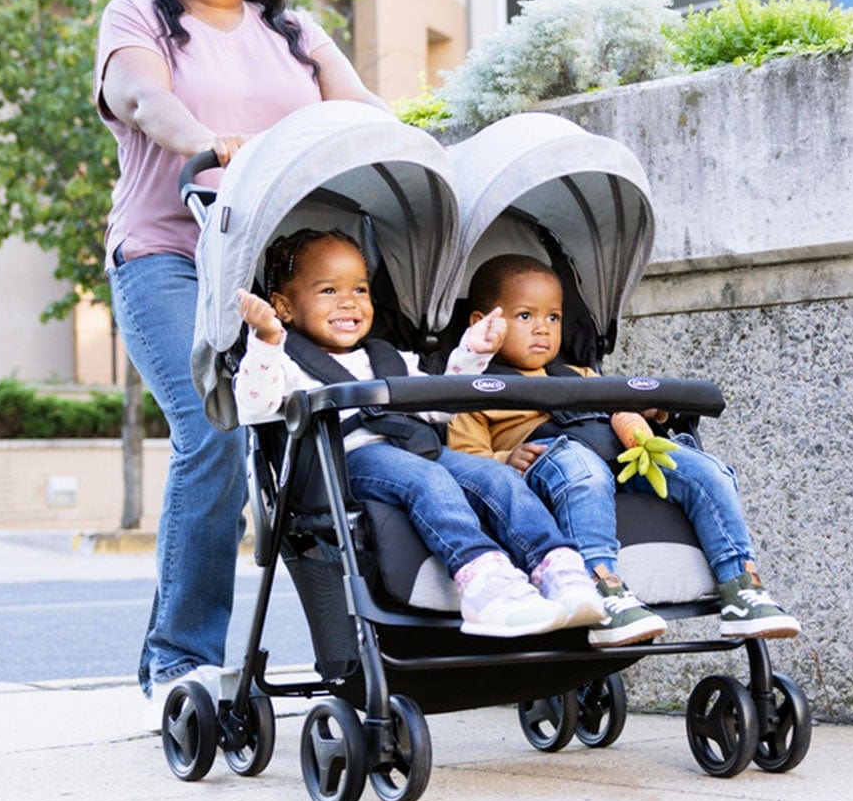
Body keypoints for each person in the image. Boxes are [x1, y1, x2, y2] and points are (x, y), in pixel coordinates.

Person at [98, 0, 387, 706]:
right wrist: (212, 144)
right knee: (215, 434)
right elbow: (143, 100)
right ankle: (179, 660)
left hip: (275, 276)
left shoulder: (293, 29)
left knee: (315, 444)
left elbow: (361, 108)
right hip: (171, 258)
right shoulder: (141, 17)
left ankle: (353, 650)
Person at [231, 228, 608, 637]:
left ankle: (560, 570)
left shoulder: (390, 358)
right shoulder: (286, 364)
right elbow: (255, 403)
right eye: (328, 290)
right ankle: (484, 582)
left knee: (495, 477)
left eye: (360, 289)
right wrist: (266, 340)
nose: (349, 301)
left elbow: (440, 403)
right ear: (284, 306)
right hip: (344, 462)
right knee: (425, 479)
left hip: (414, 451)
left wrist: (472, 353)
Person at [446, 253, 802, 646]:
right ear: (482, 323)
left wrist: (646, 411)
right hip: (552, 465)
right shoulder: (473, 391)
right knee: (581, 466)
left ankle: (741, 585)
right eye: (525, 317)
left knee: (703, 469)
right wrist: (505, 460)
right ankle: (603, 590)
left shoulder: (579, 375)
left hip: (618, 453)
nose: (543, 330)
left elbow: (621, 408)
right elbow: (464, 460)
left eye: (553, 318)